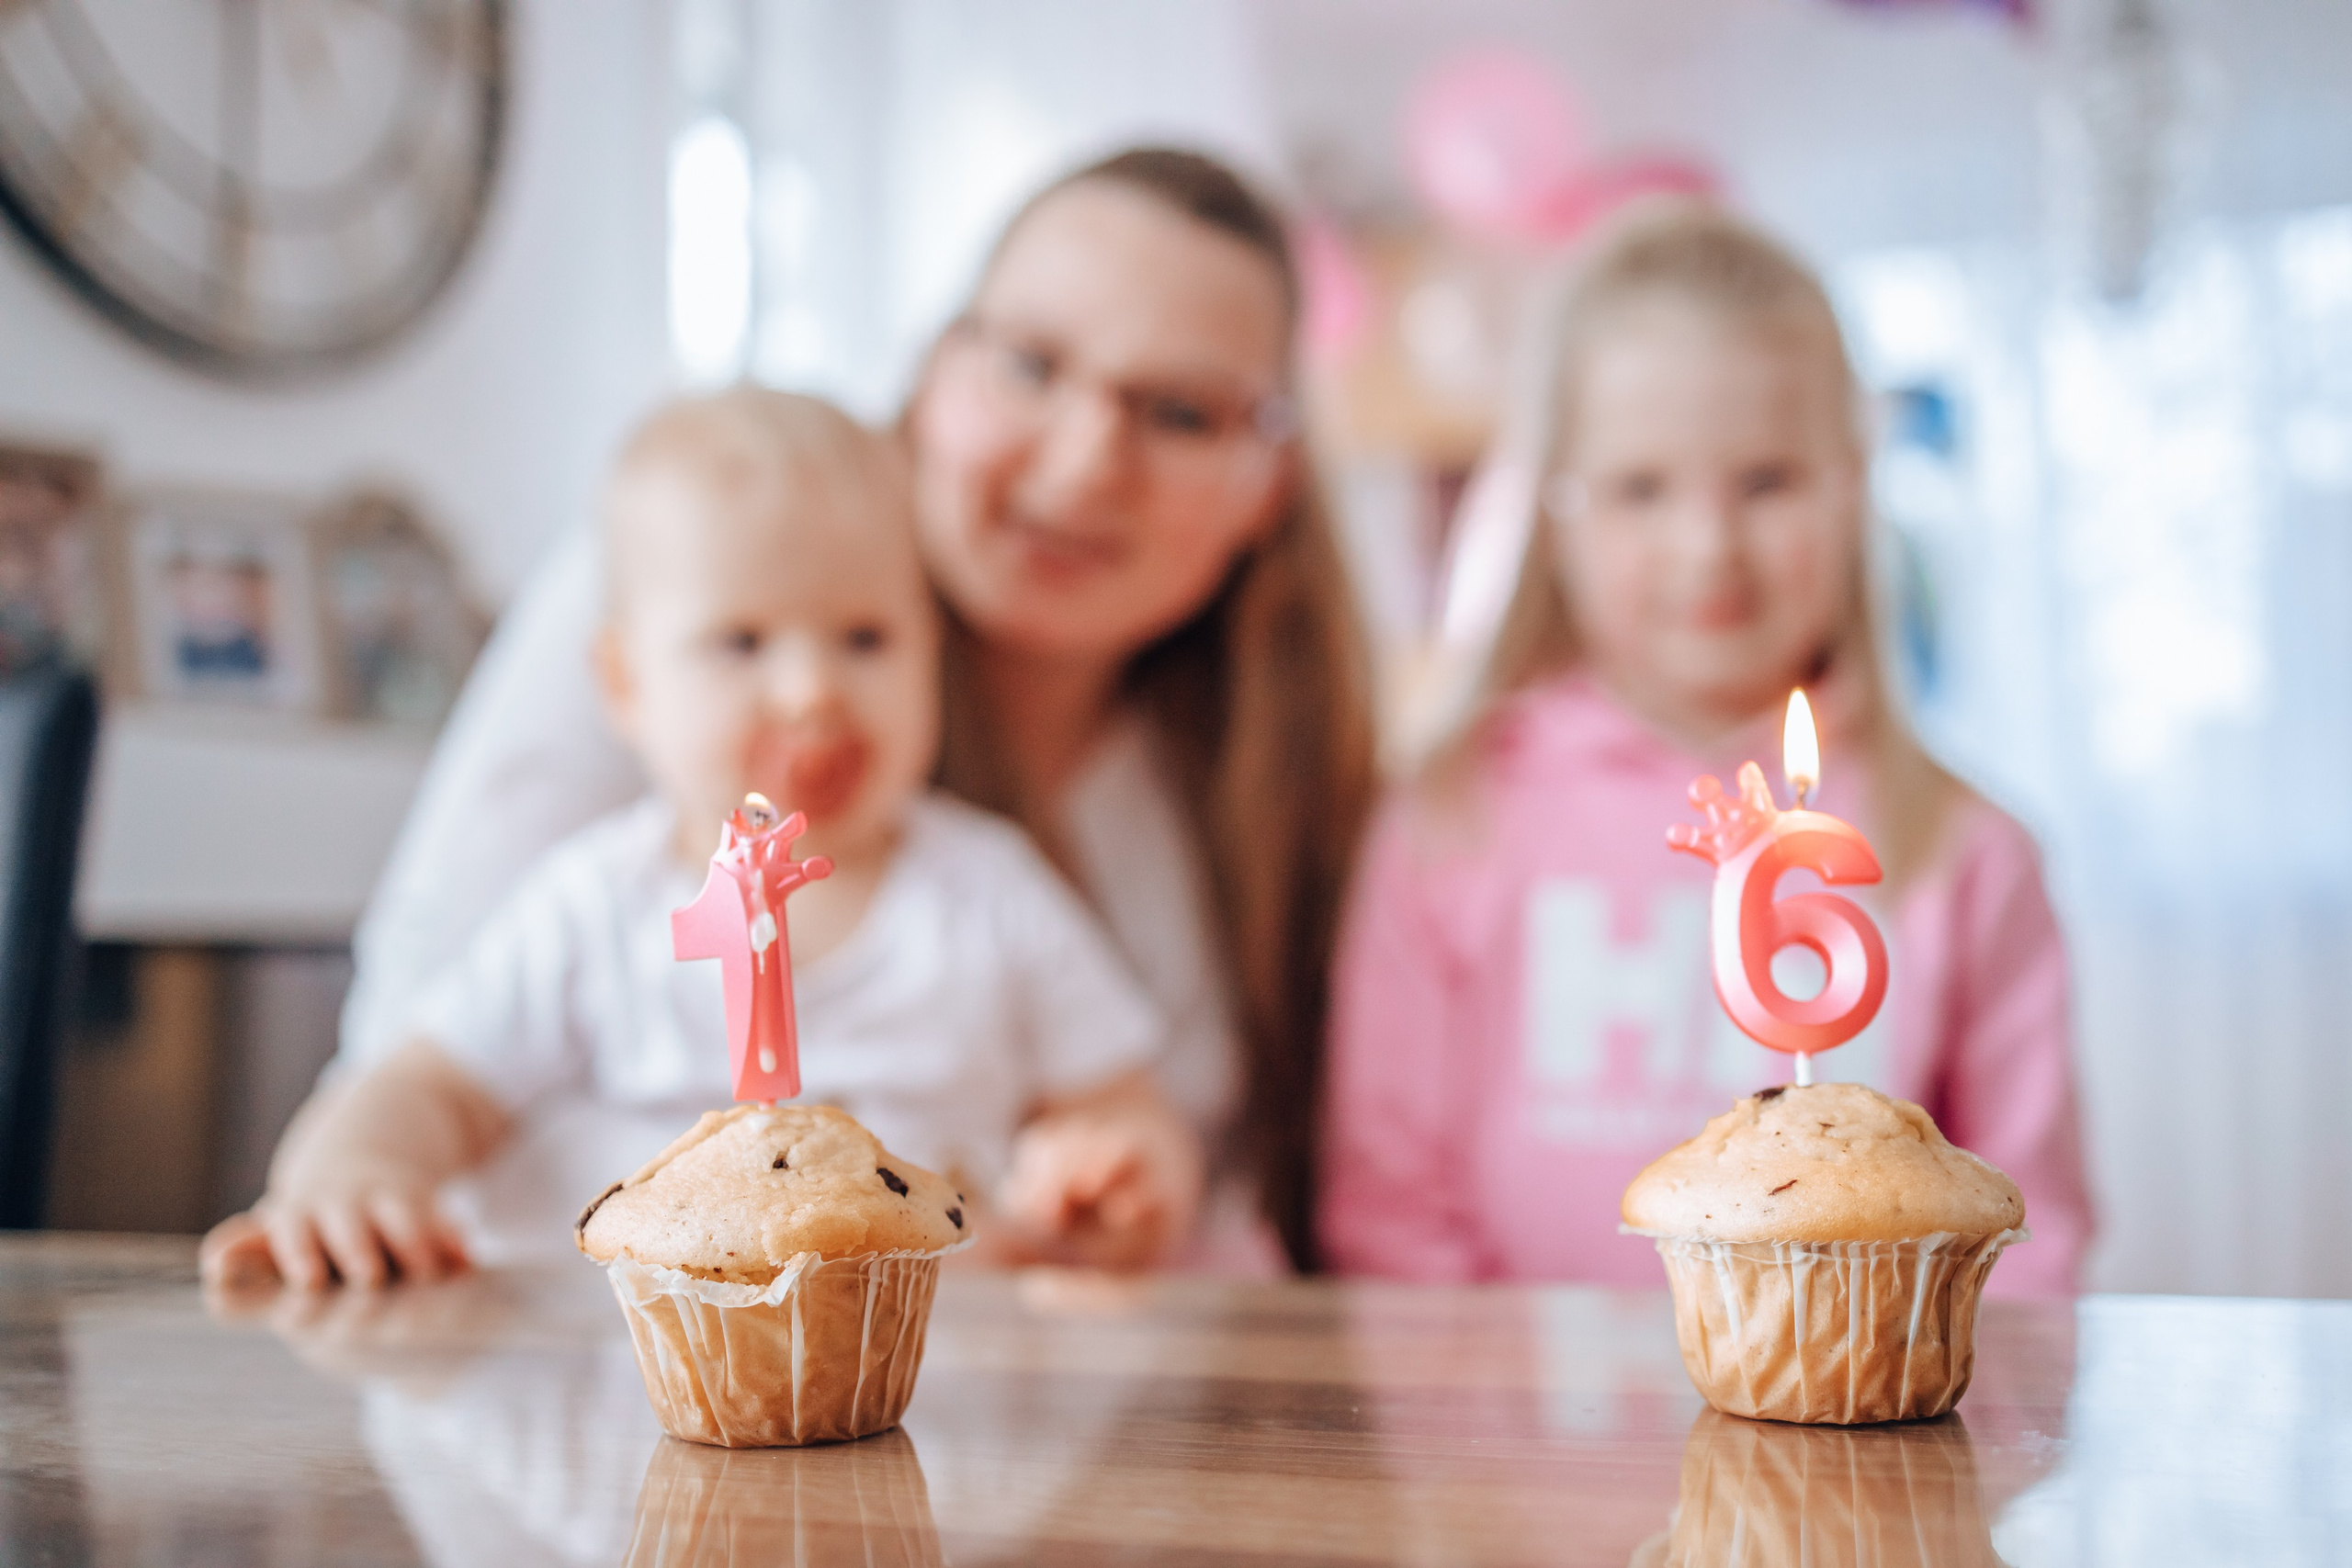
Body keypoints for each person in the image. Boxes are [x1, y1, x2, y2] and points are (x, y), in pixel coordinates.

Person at [313, 148, 1374, 1274]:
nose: (1084, 461)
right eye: (1028, 363)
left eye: (1179, 412)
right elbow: (419, 1061)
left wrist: (1108, 1194)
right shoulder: (699, 562)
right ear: (931, 376)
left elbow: (1175, 1174)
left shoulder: (1199, 801)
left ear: (1271, 482)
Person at [203, 390, 1204, 1290]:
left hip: (933, 1421)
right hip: (616, 1418)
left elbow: (1123, 1108)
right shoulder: (596, 906)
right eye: (741, 642)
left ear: (928, 655)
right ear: (626, 688)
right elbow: (427, 1088)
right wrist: (359, 1176)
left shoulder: (990, 893)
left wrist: (1113, 1174)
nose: (812, 688)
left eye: (865, 638)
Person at [1318, 201, 2093, 1296]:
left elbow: (2027, 1251)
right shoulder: (1448, 815)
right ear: (1558, 516)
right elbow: (1391, 1214)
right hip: (1507, 1459)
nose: (1706, 545)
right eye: (1640, 489)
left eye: (1767, 481)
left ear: (1851, 486)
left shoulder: (1971, 856)